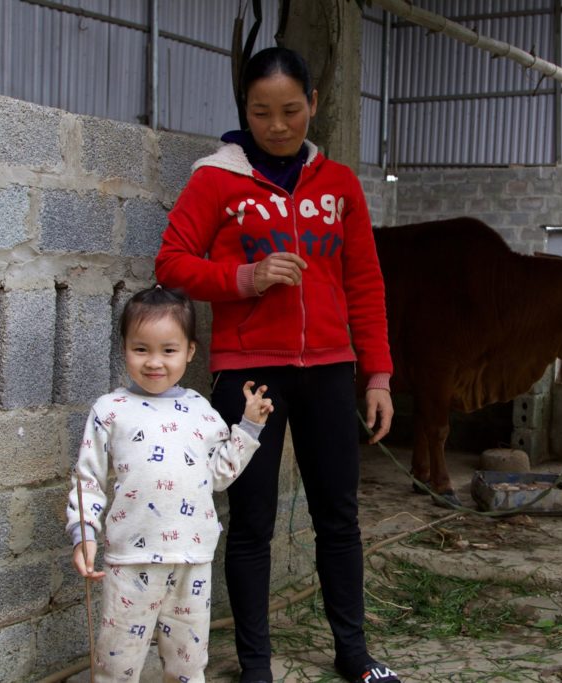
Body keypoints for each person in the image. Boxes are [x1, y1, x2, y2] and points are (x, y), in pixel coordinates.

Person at [155, 46, 399, 683]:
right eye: (262, 112)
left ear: (313, 103)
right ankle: (256, 668)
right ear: (245, 109)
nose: (278, 125)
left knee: (338, 518)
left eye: (292, 110)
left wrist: (377, 375)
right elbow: (171, 262)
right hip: (249, 375)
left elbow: (365, 282)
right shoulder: (216, 180)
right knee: (251, 524)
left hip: (329, 369)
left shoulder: (339, 185)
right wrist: (246, 277)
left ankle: (354, 655)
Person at [66, 285, 274, 683]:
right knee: (117, 663)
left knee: (188, 663)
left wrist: (249, 428)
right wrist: (84, 533)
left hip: (192, 559)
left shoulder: (201, 412)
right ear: (124, 348)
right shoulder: (110, 410)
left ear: (190, 351)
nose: (154, 362)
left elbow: (218, 476)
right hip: (130, 559)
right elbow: (86, 480)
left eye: (168, 350)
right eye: (141, 349)